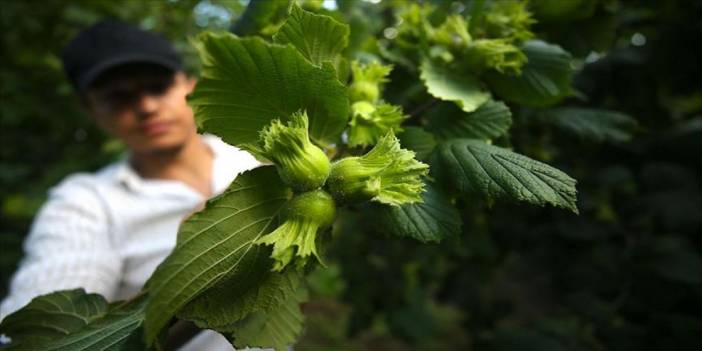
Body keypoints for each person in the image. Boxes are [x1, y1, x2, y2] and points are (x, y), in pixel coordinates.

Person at [0, 20, 261, 350]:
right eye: (118, 97)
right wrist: (190, 261)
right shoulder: (85, 205)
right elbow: (43, 330)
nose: (146, 107)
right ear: (91, 111)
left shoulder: (255, 153)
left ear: (190, 85)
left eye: (158, 86)